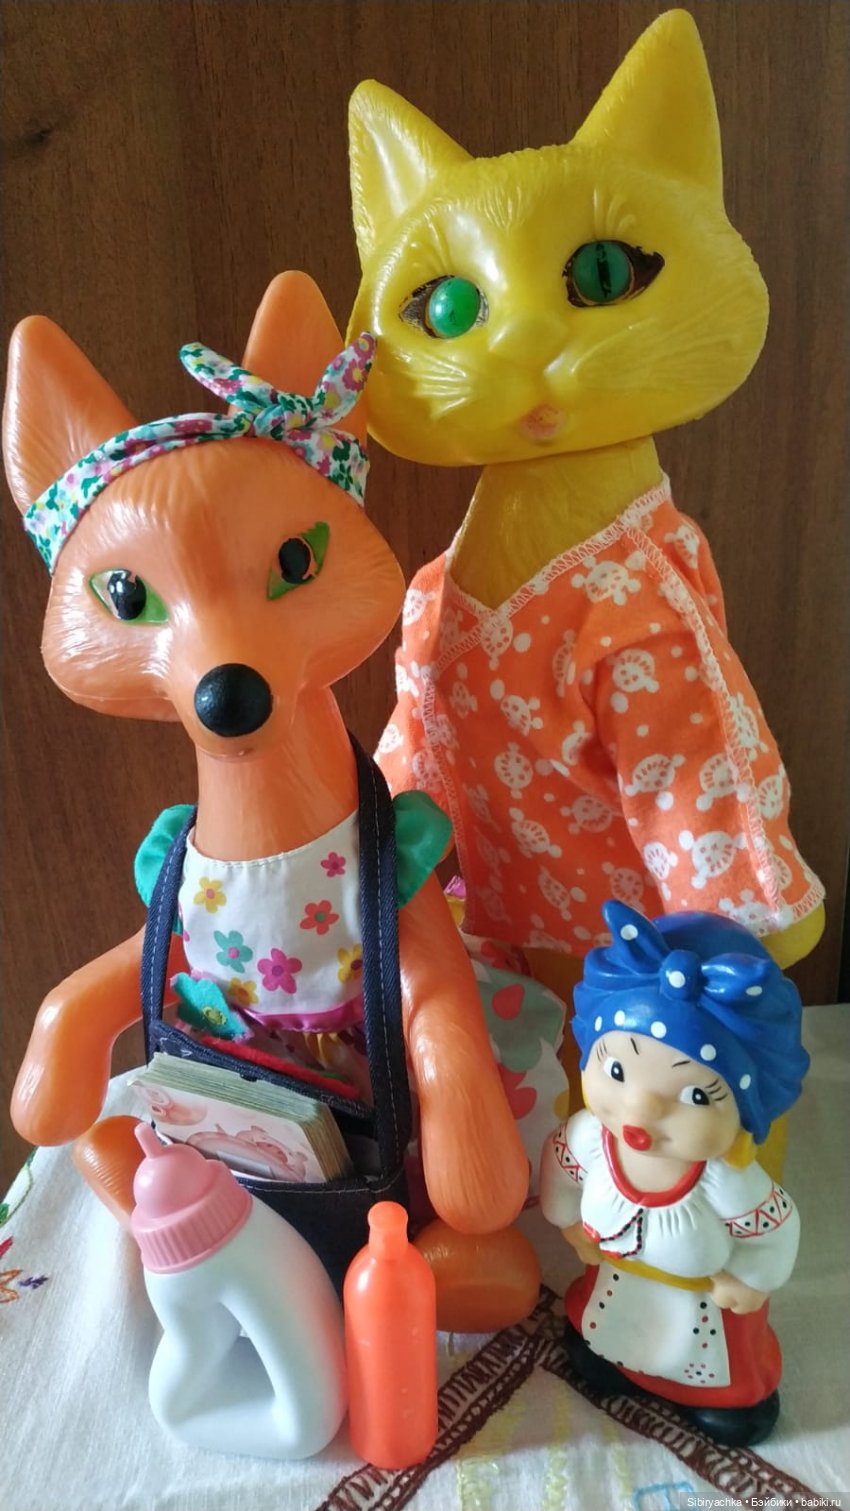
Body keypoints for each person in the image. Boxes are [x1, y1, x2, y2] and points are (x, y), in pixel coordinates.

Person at [540, 900, 809, 1445]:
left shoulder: (724, 1180)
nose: (639, 1111)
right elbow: (562, 1168)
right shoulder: (592, 1138)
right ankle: (613, 1363)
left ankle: (719, 1399)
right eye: (617, 1069)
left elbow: (774, 1230)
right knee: (604, 1341)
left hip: (701, 1304)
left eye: (694, 1095)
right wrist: (568, 1221)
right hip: (617, 1283)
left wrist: (750, 1281)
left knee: (713, 1372)